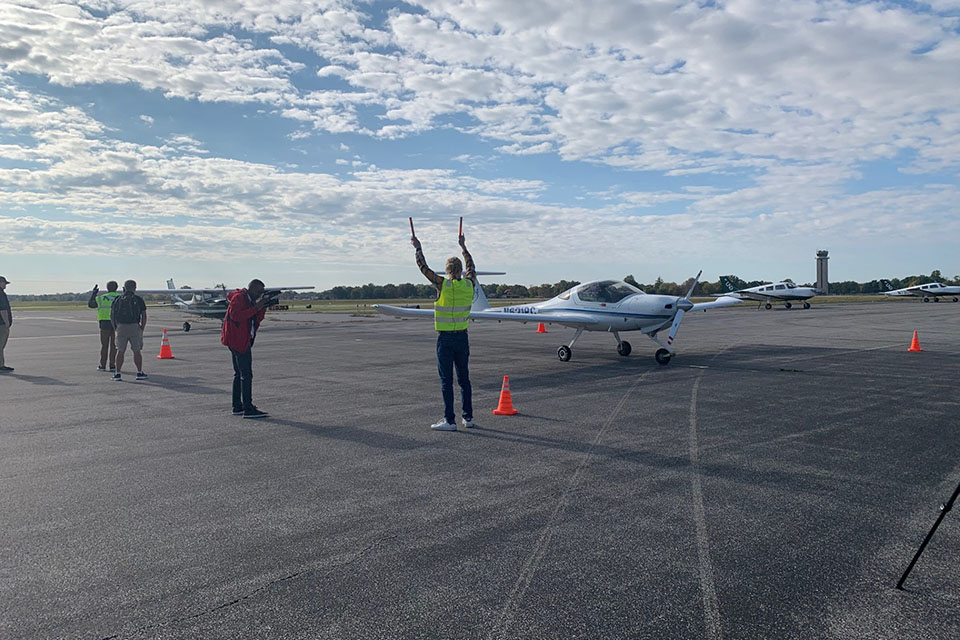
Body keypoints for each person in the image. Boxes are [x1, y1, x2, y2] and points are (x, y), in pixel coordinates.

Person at [411, 231, 475, 431]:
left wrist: (418, 248)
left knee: (446, 380)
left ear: (448, 270)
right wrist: (464, 247)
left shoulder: (443, 285)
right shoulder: (469, 284)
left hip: (446, 340)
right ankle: (468, 417)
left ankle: (450, 420)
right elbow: (472, 267)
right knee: (464, 379)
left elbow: (424, 268)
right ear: (461, 271)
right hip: (462, 338)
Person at [221, 279, 270, 419]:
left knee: (239, 374)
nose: (260, 295)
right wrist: (256, 307)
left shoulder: (249, 300)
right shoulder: (240, 298)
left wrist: (262, 307)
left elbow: (255, 319)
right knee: (246, 374)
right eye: (259, 292)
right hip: (238, 341)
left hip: (240, 339)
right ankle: (248, 408)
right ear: (253, 289)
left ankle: (237, 406)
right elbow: (236, 316)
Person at [110, 280, 148, 382]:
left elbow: (112, 315)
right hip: (134, 326)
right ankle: (139, 372)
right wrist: (142, 327)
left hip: (121, 326)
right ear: (134, 288)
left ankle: (117, 373)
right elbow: (144, 315)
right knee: (136, 351)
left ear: (124, 288)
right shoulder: (138, 299)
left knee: (120, 350)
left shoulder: (118, 299)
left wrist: (115, 327)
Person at [88, 281, 120, 372]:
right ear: (116, 288)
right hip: (116, 323)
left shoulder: (101, 298)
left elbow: (91, 304)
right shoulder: (120, 297)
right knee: (114, 346)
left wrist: (94, 293)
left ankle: (102, 365)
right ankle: (112, 365)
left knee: (104, 345)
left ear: (107, 288)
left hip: (104, 323)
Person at [0, 275, 13, 372]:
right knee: (0, 345)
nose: (5, 285)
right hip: (1, 324)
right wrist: (7, 322)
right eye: (4, 283)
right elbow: (3, 309)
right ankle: (0, 365)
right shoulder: (1, 294)